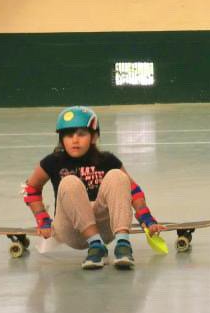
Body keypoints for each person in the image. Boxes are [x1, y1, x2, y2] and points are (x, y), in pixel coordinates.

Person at [21, 106, 162, 270]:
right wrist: (43, 220)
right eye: (68, 135)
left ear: (94, 137)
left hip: (105, 229)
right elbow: (31, 189)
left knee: (117, 176)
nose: (74, 140)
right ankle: (95, 245)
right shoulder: (52, 162)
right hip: (71, 230)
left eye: (81, 134)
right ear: (61, 139)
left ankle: (123, 245)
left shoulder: (107, 161)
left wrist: (146, 218)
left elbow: (134, 191)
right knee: (69, 182)